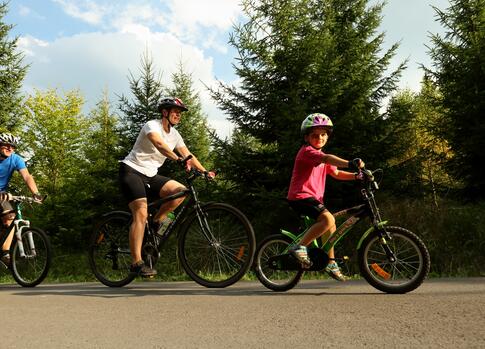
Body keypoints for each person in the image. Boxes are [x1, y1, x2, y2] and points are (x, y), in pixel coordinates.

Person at [119, 97, 215, 277]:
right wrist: (177, 159)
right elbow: (159, 144)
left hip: (150, 175)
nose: (178, 115)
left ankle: (156, 221)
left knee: (180, 192)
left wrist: (205, 171)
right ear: (165, 112)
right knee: (140, 212)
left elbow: (188, 155)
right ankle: (136, 262)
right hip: (131, 172)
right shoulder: (152, 125)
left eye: (180, 113)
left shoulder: (175, 135)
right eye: (175, 112)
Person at [287, 113, 364, 281]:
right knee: (328, 220)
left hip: (312, 198)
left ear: (327, 136)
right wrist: (350, 162)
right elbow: (328, 159)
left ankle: (329, 261)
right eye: (315, 135)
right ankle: (299, 247)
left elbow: (336, 173)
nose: (319, 138)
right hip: (300, 196)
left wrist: (356, 176)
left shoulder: (320, 155)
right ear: (306, 137)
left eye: (323, 134)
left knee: (330, 224)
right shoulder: (307, 152)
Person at [0, 133, 43, 265]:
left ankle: (5, 253)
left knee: (10, 218)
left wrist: (35, 193)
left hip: (2, 194)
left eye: (12, 146)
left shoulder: (15, 159)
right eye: (6, 145)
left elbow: (27, 176)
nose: (10, 148)